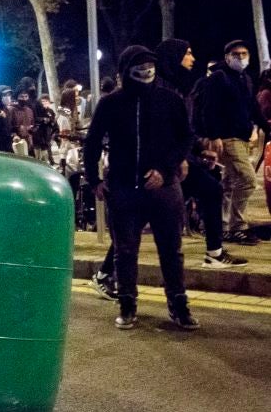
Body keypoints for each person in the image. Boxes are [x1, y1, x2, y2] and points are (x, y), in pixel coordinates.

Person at [84, 45, 198, 330]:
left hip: (165, 190)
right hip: (123, 190)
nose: (146, 70)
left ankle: (178, 305)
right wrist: (95, 180)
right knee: (125, 251)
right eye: (139, 66)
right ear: (125, 71)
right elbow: (93, 142)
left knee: (171, 250)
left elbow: (185, 138)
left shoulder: (170, 100)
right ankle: (127, 304)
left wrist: (166, 169)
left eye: (150, 65)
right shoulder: (110, 104)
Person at [156, 38, 246, 268]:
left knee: (210, 191)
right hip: (163, 164)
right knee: (145, 215)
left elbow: (182, 130)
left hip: (176, 161)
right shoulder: (160, 89)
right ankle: (109, 271)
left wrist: (200, 149)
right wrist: (184, 158)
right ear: (174, 57)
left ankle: (214, 253)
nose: (192, 58)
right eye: (187, 53)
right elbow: (163, 131)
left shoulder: (177, 85)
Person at [192, 40, 271, 246]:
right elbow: (209, 108)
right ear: (227, 56)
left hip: (242, 137)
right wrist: (214, 135)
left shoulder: (244, 78)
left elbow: (252, 107)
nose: (241, 57)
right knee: (247, 180)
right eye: (236, 54)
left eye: (244, 53)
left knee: (228, 184)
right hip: (228, 137)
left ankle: (223, 226)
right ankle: (238, 227)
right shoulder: (220, 78)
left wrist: (266, 127)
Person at [32, 94, 59, 163]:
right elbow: (35, 119)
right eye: (43, 101)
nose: (45, 103)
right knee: (38, 151)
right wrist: (43, 119)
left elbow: (53, 121)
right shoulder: (36, 109)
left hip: (47, 132)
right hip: (38, 133)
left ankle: (51, 161)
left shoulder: (50, 111)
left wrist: (51, 121)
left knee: (47, 148)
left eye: (47, 101)